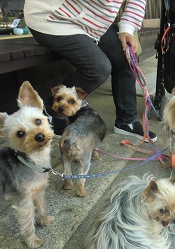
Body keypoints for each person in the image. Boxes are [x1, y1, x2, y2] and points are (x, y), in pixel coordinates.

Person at [23, 0, 157, 142]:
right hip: (53, 16)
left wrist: (127, 28)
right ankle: (51, 112)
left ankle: (126, 121)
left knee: (126, 55)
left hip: (93, 23)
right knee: (98, 69)